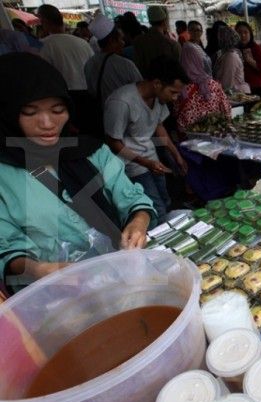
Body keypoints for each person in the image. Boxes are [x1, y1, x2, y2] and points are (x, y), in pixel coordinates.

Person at [0, 53, 155, 292]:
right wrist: (39, 269)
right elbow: (7, 246)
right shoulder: (4, 175)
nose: (47, 123)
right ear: (8, 113)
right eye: (30, 113)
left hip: (120, 278)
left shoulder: (90, 151)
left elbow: (131, 196)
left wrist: (139, 222)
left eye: (57, 109)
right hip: (54, 297)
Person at [104, 57, 189, 222]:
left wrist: (177, 156)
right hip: (131, 165)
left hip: (152, 161)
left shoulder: (159, 99)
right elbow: (113, 142)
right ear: (157, 83)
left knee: (165, 201)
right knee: (155, 209)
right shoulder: (122, 101)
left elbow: (159, 128)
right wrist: (145, 163)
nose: (175, 98)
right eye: (173, 92)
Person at [85, 14, 143, 105]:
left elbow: (92, 92)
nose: (123, 43)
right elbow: (141, 91)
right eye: (121, 39)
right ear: (112, 41)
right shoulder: (125, 64)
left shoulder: (89, 64)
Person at [176, 41, 232, 130]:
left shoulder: (178, 88)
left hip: (189, 137)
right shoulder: (213, 85)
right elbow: (226, 110)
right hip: (213, 134)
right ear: (199, 60)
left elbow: (177, 114)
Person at [37, 4, 93, 92]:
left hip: (65, 94)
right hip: (88, 91)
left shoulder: (43, 45)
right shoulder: (83, 42)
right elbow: (93, 67)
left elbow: (43, 74)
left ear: (43, 21)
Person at [133, 6, 181, 78]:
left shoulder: (138, 41)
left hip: (147, 84)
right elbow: (178, 69)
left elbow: (138, 66)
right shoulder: (172, 44)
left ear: (149, 21)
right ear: (164, 21)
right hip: (167, 85)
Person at [235, 21, 261, 97]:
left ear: (250, 34)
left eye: (245, 32)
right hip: (242, 89)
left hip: (257, 87)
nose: (243, 35)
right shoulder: (235, 49)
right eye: (239, 33)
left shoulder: (256, 48)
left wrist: (250, 60)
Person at [214, 26, 250, 94]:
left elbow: (227, 82)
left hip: (237, 95)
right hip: (235, 93)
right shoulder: (228, 53)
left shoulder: (230, 56)